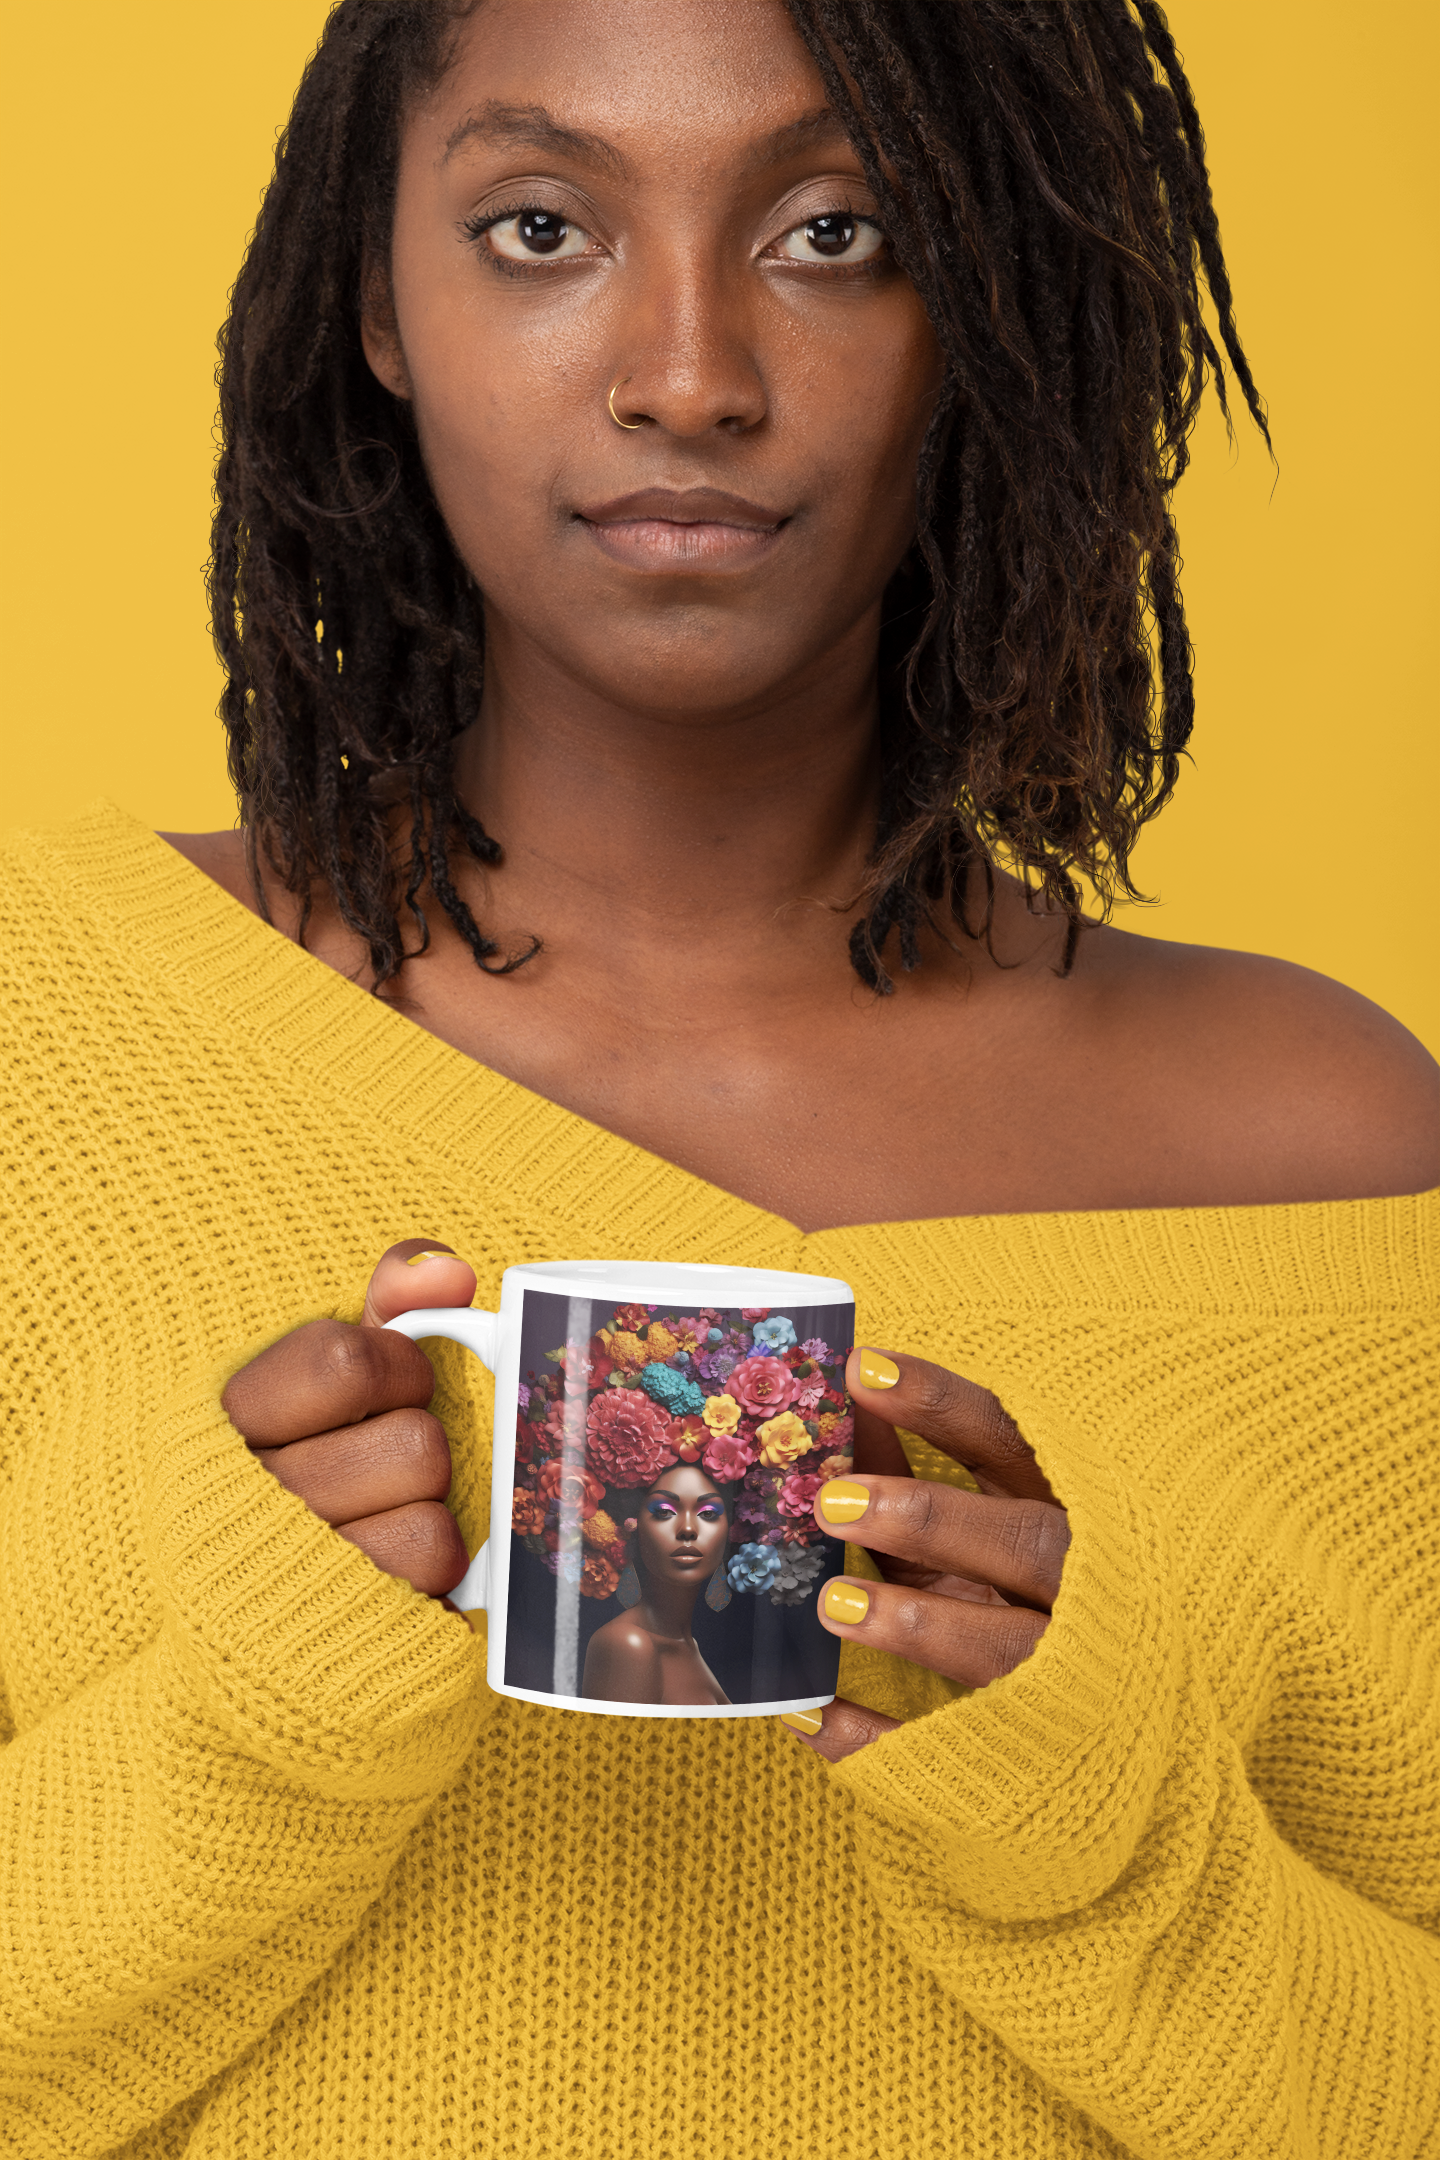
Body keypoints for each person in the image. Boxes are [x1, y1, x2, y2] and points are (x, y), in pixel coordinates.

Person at [2, 0, 1435, 2155]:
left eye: (839, 229)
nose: (688, 373)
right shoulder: (52, 1028)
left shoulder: (1326, 1151)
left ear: (991, 303)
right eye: (542, 225)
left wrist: (1104, 1822)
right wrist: (246, 1726)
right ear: (373, 300)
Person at [581, 1466, 733, 1705]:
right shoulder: (627, 1644)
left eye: (708, 1513)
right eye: (664, 1512)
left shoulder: (687, 1643)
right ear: (632, 1526)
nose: (688, 1529)